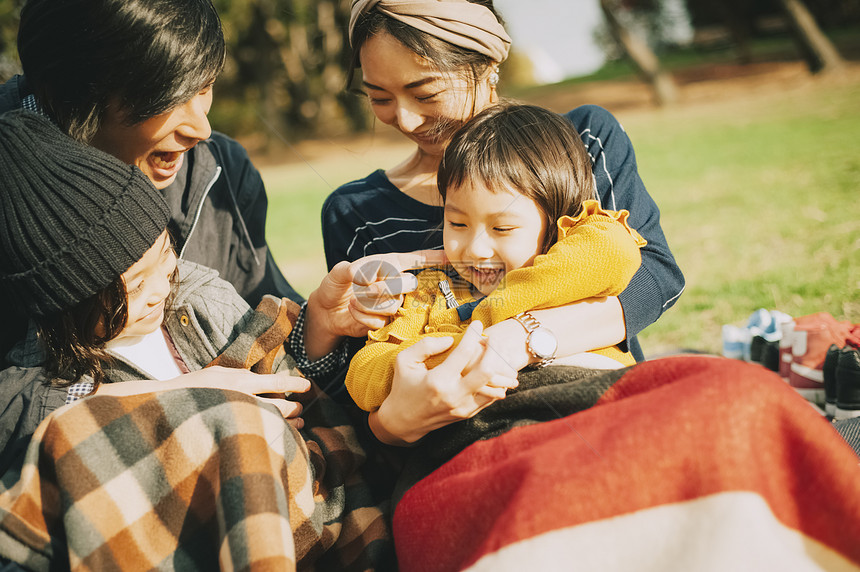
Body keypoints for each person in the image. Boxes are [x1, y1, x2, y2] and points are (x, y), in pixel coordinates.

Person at [0, 110, 398, 569]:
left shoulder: (198, 298)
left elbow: (295, 386)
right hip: (177, 537)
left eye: (165, 260)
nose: (158, 291)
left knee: (244, 425)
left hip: (291, 504)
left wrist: (316, 336)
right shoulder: (46, 378)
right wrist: (195, 398)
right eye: (131, 288)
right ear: (65, 307)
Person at [0, 0, 298, 367]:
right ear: (75, 94)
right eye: (169, 99)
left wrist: (325, 329)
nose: (201, 130)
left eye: (204, 87)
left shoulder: (221, 171)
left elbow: (269, 331)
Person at [345, 103, 647, 412]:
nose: (475, 249)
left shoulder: (571, 257)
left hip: (595, 405)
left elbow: (616, 250)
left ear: (556, 220)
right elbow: (362, 374)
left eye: (502, 228)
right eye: (457, 224)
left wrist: (491, 319)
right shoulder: (427, 291)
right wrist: (465, 352)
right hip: (491, 428)